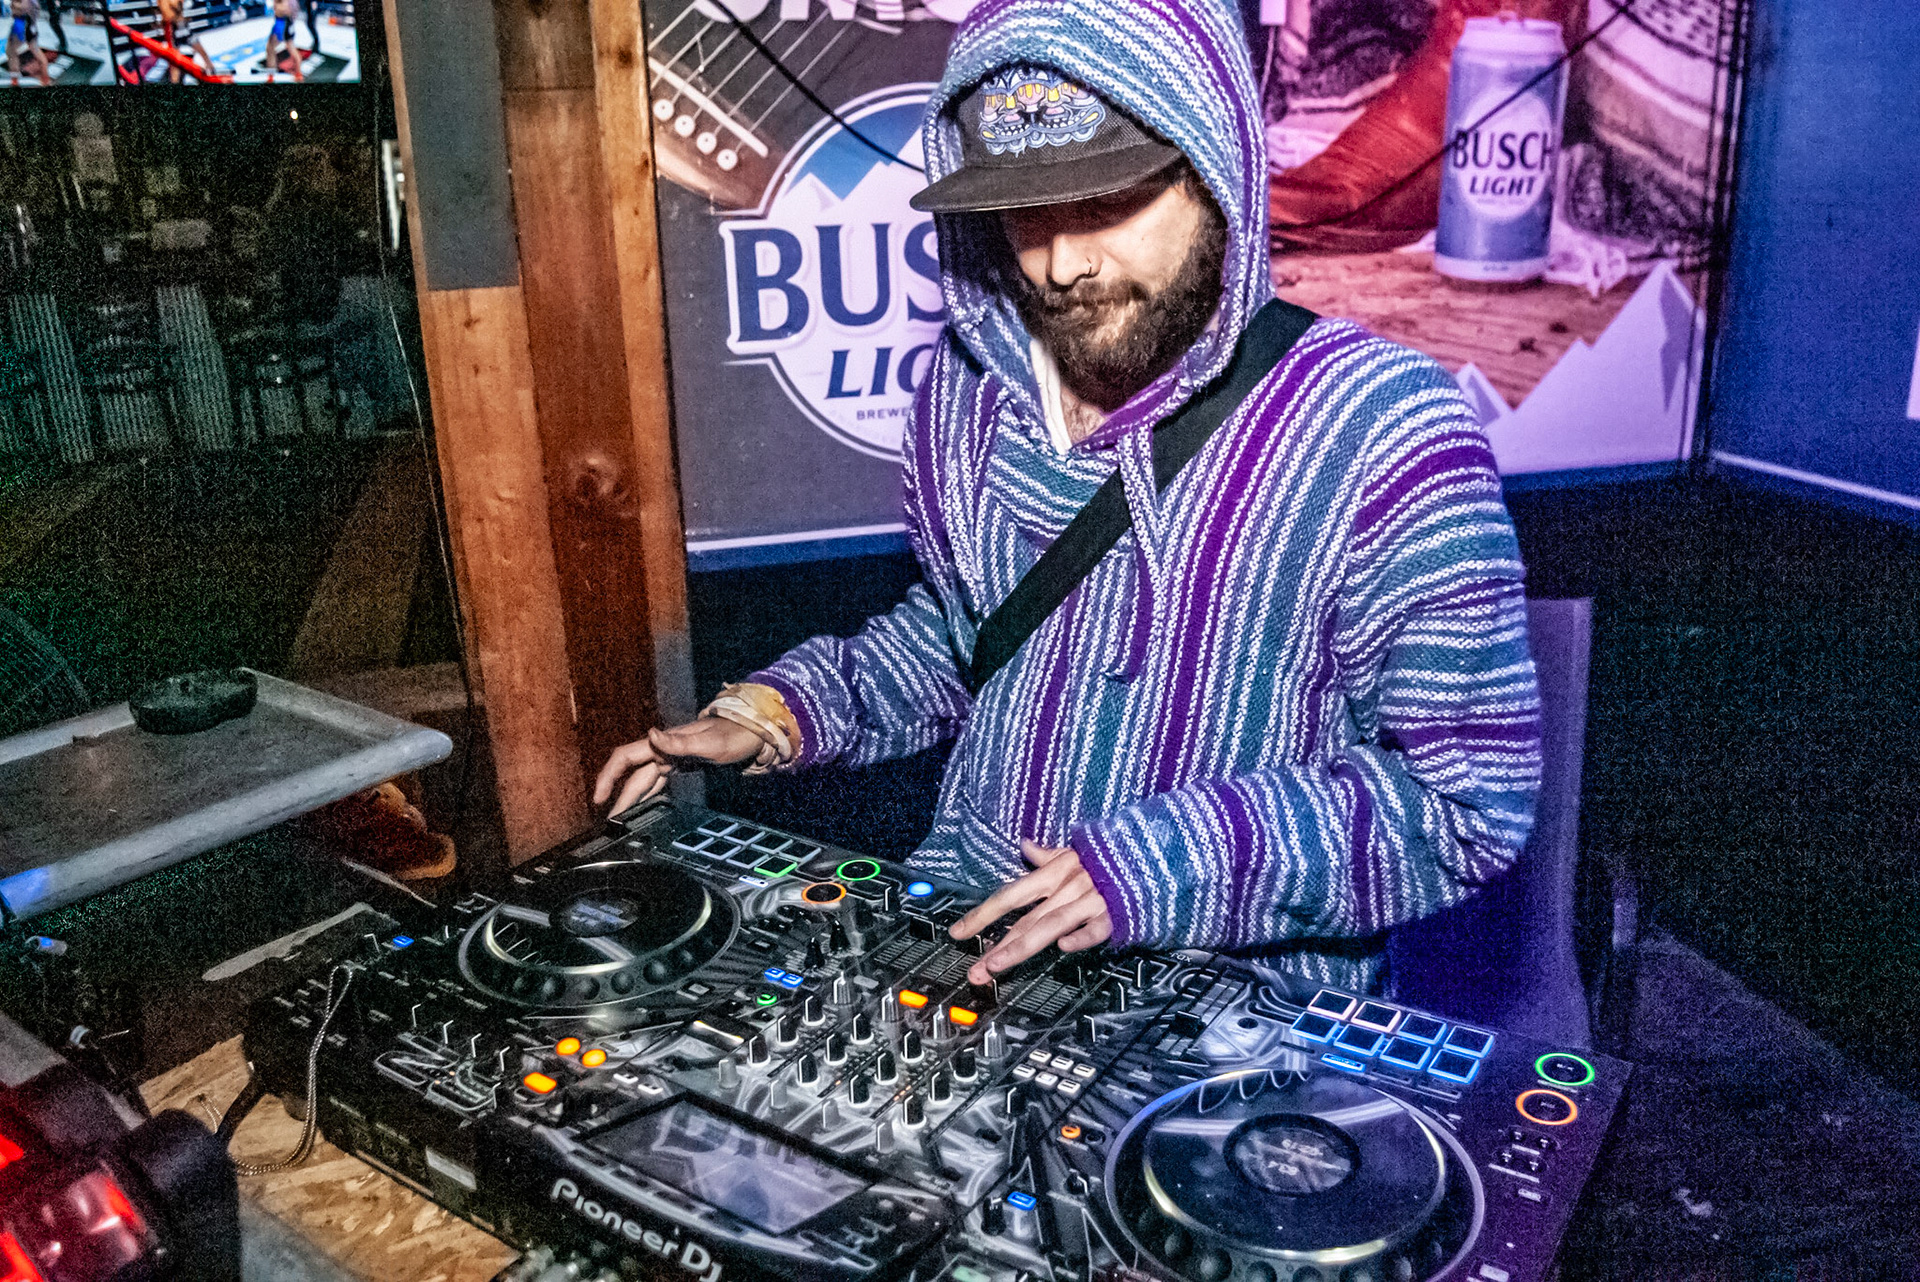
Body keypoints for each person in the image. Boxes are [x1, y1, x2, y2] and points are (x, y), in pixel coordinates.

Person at [596, 0, 1542, 995]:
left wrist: (1166, 863)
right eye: (1023, 209)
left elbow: (1467, 805)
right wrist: (785, 710)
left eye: (1107, 202)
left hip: (1232, 1018)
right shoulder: (965, 396)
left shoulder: (1386, 429)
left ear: (1215, 169)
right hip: (969, 952)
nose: (1060, 264)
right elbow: (965, 639)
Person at [158, 0, 216, 83]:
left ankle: (210, 68)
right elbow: (168, 14)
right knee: (174, 59)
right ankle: (175, 81)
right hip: (173, 27)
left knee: (197, 45)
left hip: (182, 25)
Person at [7, 0, 52, 87]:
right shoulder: (32, 3)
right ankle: (45, 79)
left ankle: (45, 80)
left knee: (12, 53)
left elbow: (22, 9)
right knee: (12, 53)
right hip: (28, 28)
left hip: (22, 29)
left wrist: (16, 7)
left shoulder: (27, 4)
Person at [264, 0, 304, 81]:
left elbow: (284, 10)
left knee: (274, 48)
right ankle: (271, 75)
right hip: (283, 23)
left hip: (283, 24)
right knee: (270, 49)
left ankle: (298, 74)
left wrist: (276, 5)